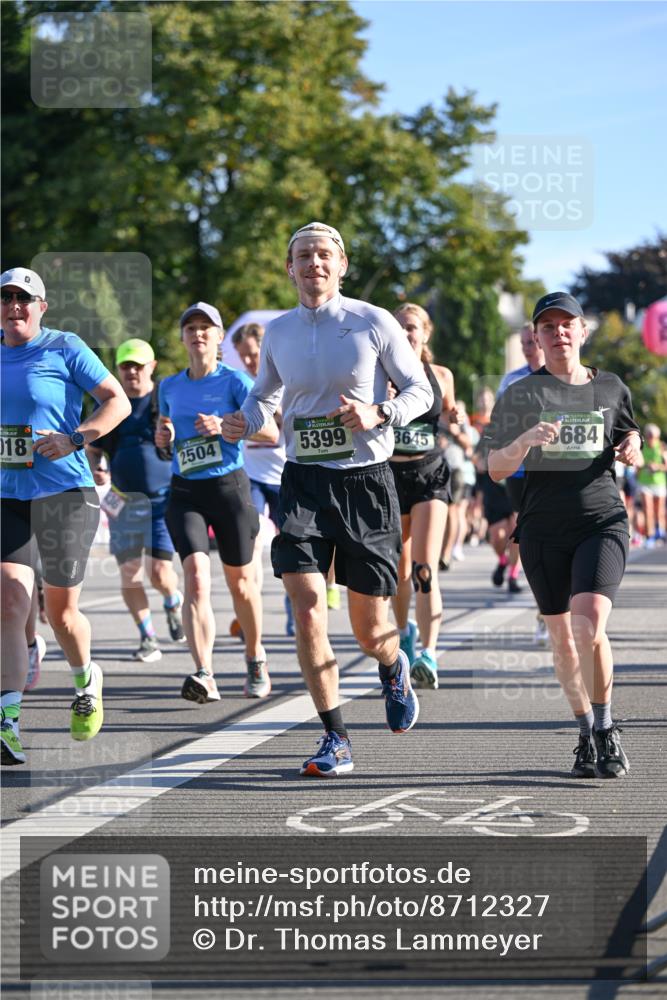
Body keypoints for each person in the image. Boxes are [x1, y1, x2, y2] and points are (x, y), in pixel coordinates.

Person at [221, 221, 433, 777]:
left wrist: (379, 412)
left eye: (324, 255)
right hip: (303, 483)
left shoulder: (373, 321)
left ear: (341, 265)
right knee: (308, 606)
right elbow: (264, 393)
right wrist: (247, 419)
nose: (314, 263)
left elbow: (421, 390)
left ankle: (393, 665)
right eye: (303, 256)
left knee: (369, 630)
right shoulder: (280, 332)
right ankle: (334, 737)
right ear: (289, 268)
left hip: (366, 482)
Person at [486, 291, 642, 779]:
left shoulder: (611, 387)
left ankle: (606, 727)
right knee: (562, 641)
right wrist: (523, 441)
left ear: (582, 331)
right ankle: (583, 732)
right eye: (547, 327)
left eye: (566, 324)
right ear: (535, 336)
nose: (558, 333)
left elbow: (627, 433)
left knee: (589, 624)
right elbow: (494, 468)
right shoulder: (521, 394)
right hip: (542, 529)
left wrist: (632, 444)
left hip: (601, 520)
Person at [1, 266, 131, 765]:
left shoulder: (63, 346)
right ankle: (7, 720)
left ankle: (85, 678)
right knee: (11, 602)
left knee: (60, 612)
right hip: (7, 494)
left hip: (65, 493)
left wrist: (76, 438)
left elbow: (114, 401)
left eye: (23, 299)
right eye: (6, 297)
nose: (14, 306)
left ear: (41, 307)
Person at [155, 302, 278, 703]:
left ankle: (255, 656)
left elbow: (271, 432)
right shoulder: (169, 387)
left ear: (219, 336)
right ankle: (204, 672)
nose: (198, 333)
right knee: (194, 579)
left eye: (206, 327)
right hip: (186, 490)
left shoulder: (237, 383)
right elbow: (168, 437)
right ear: (183, 337)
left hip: (229, 489)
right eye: (190, 327)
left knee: (242, 585)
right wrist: (164, 441)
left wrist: (229, 428)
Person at [87, 339, 186, 663]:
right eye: (126, 366)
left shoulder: (165, 399)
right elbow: (93, 448)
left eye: (138, 366)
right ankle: (147, 637)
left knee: (159, 572)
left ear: (152, 367)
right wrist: (97, 470)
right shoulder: (110, 404)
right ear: (118, 370)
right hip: (124, 502)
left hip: (164, 500)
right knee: (130, 574)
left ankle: (172, 599)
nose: (132, 372)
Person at [389, 303, 458, 689]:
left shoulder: (442, 375)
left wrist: (457, 418)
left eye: (412, 327)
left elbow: (447, 411)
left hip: (430, 473)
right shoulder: (379, 372)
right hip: (389, 476)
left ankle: (429, 653)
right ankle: (404, 633)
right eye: (399, 327)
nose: (406, 333)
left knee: (423, 568)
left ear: (425, 334)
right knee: (398, 572)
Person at [230, 322, 294, 636]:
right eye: (243, 357)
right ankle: (248, 608)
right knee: (251, 543)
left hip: (284, 475)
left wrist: (277, 415)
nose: (249, 363)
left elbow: (286, 429)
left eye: (253, 355)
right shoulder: (240, 384)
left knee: (293, 545)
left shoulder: (283, 380)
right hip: (251, 475)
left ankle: (295, 605)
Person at [497, 324, 548, 641]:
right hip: (519, 469)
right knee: (531, 536)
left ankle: (549, 608)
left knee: (551, 535)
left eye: (532, 341)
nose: (529, 347)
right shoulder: (511, 379)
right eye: (524, 343)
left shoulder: (562, 377)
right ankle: (546, 606)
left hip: (553, 469)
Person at [637, 423, 666, 546]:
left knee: (659, 510)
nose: (650, 438)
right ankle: (650, 535)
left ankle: (661, 531)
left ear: (657, 436)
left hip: (659, 483)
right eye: (648, 435)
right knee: (647, 509)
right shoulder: (642, 447)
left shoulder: (662, 447)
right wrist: (642, 467)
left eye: (652, 435)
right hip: (645, 482)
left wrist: (657, 467)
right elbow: (637, 464)